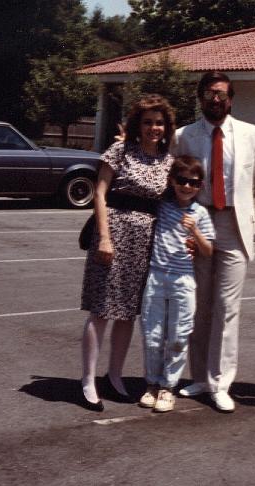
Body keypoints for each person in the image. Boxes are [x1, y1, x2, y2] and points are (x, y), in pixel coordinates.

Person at [172, 71, 255, 412]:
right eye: (208, 93)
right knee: (199, 305)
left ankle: (221, 383)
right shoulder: (184, 136)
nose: (214, 99)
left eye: (220, 93)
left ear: (230, 99)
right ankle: (200, 376)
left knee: (227, 307)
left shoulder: (251, 134)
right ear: (200, 97)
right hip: (198, 224)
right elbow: (170, 181)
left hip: (234, 224)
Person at [79, 94, 176, 412]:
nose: (154, 128)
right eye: (148, 122)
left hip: (145, 242)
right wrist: (104, 237)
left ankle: (115, 376)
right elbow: (100, 193)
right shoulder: (120, 150)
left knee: (127, 312)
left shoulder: (167, 160)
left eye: (159, 122)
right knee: (102, 309)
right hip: (114, 234)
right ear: (138, 124)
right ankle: (88, 380)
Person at [138, 156, 215, 413]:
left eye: (193, 183)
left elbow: (208, 251)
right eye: (181, 181)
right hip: (157, 276)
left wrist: (195, 232)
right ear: (172, 181)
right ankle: (151, 383)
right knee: (153, 335)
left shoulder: (200, 213)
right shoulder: (162, 205)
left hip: (183, 281)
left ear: (200, 186)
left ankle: (168, 387)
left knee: (179, 336)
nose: (186, 186)